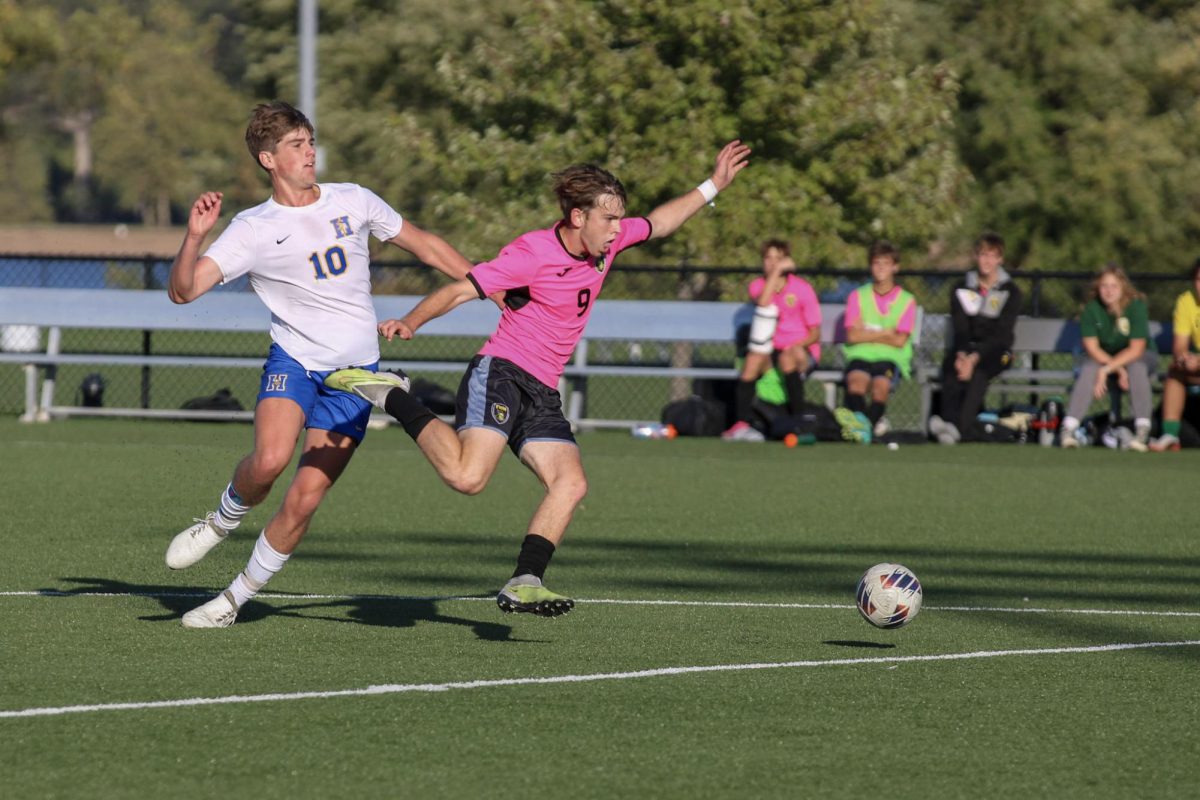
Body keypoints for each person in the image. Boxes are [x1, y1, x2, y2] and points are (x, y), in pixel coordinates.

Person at [323, 141, 752, 616]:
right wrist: (412, 321)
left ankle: (525, 581)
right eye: (608, 219)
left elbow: (664, 222)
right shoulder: (532, 252)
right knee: (468, 478)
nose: (617, 229)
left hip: (542, 389)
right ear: (576, 217)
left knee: (570, 484)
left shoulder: (607, 242)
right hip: (502, 371)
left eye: (619, 219)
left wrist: (715, 184)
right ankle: (393, 394)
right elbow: (460, 290)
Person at [163, 101, 477, 628]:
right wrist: (194, 236)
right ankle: (220, 521)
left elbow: (423, 244)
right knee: (268, 463)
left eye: (310, 142)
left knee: (304, 500)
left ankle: (234, 600)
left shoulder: (353, 199)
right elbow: (183, 291)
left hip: (357, 377)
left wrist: (484, 281)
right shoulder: (253, 228)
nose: (310, 153)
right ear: (268, 158)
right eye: (296, 145)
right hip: (296, 360)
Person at [720, 239, 821, 442]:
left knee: (788, 357)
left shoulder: (802, 289)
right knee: (753, 360)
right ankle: (741, 425)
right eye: (768, 258)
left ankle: (798, 420)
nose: (773, 263)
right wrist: (775, 273)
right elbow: (764, 303)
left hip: (800, 351)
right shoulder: (758, 286)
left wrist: (796, 346)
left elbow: (815, 333)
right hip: (771, 350)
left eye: (779, 259)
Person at [928, 232, 1023, 444]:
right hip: (967, 347)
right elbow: (960, 327)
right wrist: (962, 354)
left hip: (998, 351)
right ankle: (948, 424)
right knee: (952, 367)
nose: (986, 261)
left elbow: (1002, 334)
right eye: (982, 255)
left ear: (1000, 260)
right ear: (975, 257)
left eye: (992, 256)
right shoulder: (961, 288)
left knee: (979, 373)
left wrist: (974, 358)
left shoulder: (1011, 291)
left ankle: (960, 428)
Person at [1060, 266, 1155, 450]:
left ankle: (1142, 431)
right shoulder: (1091, 309)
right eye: (1104, 286)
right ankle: (1068, 429)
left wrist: (1106, 369)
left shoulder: (1136, 306)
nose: (1109, 291)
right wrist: (1116, 369)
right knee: (1088, 368)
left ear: (1123, 288)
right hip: (1106, 358)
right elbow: (1092, 348)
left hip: (1140, 357)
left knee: (1136, 367)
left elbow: (1136, 349)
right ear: (1097, 288)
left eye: (1114, 286)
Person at [837, 240, 918, 443]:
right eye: (876, 262)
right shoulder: (857, 296)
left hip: (891, 358)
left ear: (895, 267)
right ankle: (868, 428)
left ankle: (864, 427)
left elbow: (900, 340)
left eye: (886, 263)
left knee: (880, 385)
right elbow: (853, 336)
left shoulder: (907, 300)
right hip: (860, 354)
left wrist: (868, 332)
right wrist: (885, 333)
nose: (881, 268)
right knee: (856, 382)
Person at [1149, 258, 1200, 451]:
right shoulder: (1186, 301)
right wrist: (1184, 359)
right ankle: (1170, 435)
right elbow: (1180, 346)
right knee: (1175, 371)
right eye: (1198, 279)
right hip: (1196, 366)